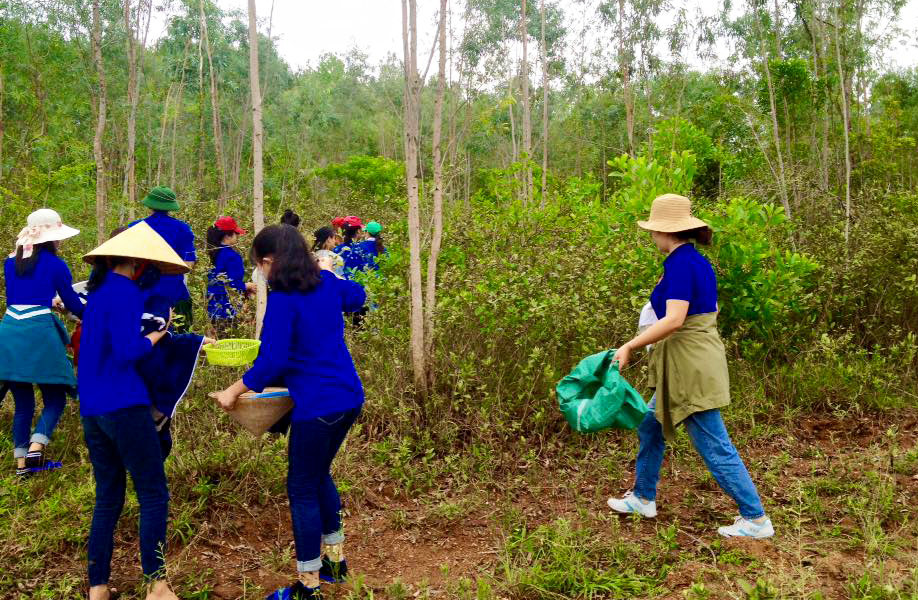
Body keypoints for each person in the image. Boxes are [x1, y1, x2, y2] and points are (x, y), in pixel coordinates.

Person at [606, 194, 774, 539]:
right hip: (687, 361)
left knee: (714, 443)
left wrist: (629, 346)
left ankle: (756, 519)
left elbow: (675, 320)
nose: (651, 236)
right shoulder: (691, 261)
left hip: (690, 368)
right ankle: (642, 497)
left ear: (666, 232)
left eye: (653, 231)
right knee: (650, 425)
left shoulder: (682, 264)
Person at [215, 224, 366, 600]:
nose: (261, 274)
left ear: (269, 262)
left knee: (300, 486)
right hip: (348, 397)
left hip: (318, 405)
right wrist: (331, 271)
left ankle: (308, 584)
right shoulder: (327, 284)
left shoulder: (283, 298)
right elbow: (358, 295)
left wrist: (233, 391)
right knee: (317, 475)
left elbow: (272, 361)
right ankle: (334, 561)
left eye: (260, 266)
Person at [78, 223, 191, 600]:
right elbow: (128, 351)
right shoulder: (126, 293)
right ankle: (157, 585)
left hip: (92, 406)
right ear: (140, 263)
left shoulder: (97, 293)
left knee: (108, 496)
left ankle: (98, 588)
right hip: (124, 404)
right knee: (153, 492)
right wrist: (160, 332)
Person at [0, 209, 83, 477]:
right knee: (55, 398)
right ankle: (38, 446)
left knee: (23, 404)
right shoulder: (57, 265)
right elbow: (73, 303)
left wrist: (48, 300)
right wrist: (94, 313)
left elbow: (20, 298)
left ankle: (22, 467)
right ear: (51, 238)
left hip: (10, 331)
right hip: (39, 333)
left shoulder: (10, 263)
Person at [130, 186, 197, 332]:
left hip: (139, 292)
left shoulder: (135, 227)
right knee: (177, 336)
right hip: (174, 290)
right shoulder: (183, 229)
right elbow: (189, 263)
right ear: (171, 207)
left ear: (150, 205)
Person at [206, 216, 255, 328]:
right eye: (236, 233)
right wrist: (247, 285)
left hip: (212, 307)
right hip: (227, 309)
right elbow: (232, 285)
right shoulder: (232, 257)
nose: (238, 236)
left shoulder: (213, 253)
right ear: (228, 235)